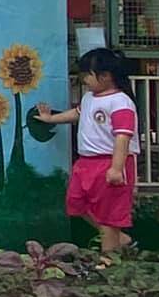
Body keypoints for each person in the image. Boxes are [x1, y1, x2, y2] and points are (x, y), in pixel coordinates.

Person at [36, 46, 138, 257]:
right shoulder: (89, 97)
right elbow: (77, 114)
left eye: (87, 74)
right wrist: (51, 119)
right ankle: (118, 239)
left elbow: (123, 136)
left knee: (109, 214)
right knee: (76, 203)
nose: (83, 79)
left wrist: (116, 168)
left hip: (111, 162)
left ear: (105, 76)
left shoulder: (121, 102)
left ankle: (108, 258)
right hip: (86, 162)